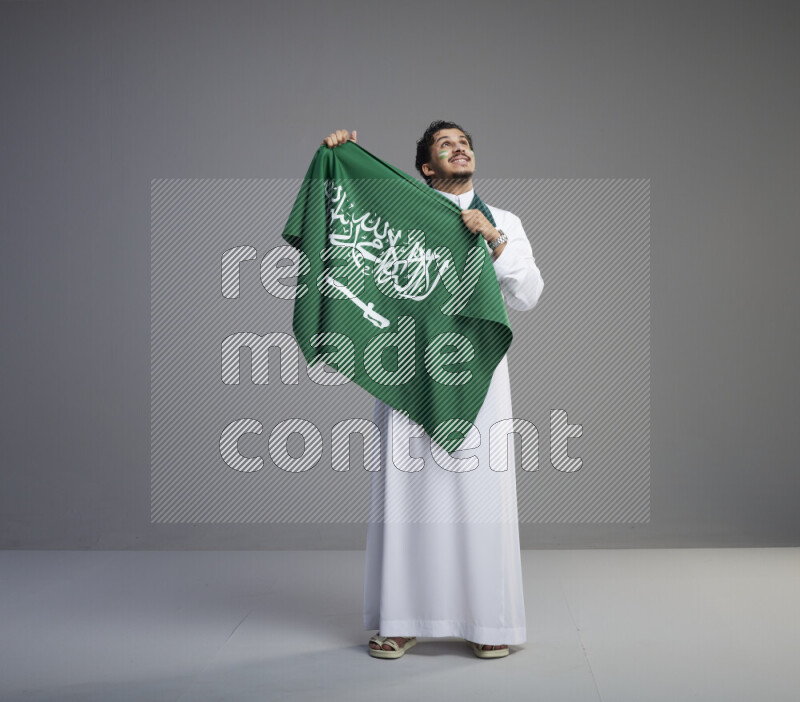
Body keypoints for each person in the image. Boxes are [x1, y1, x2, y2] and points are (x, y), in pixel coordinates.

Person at [322, 123, 544, 658]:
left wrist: (493, 240)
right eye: (446, 145)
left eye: (465, 142)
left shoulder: (503, 220)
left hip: (475, 373)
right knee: (408, 494)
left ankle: (487, 622)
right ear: (426, 167)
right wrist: (339, 162)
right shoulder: (398, 215)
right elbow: (346, 233)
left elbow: (530, 295)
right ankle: (401, 619)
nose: (460, 148)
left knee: (480, 493)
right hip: (408, 365)